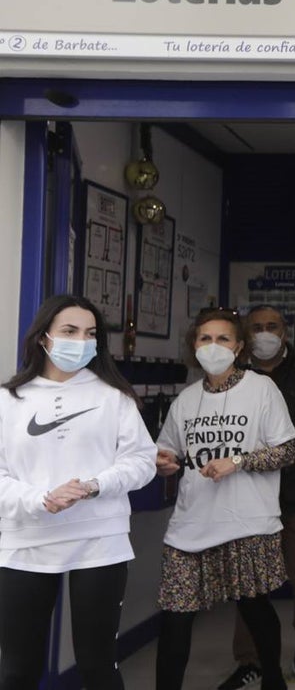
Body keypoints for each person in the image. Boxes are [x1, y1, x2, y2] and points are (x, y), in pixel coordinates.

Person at [0, 294, 158, 690]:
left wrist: (95, 485)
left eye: (90, 333)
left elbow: (142, 461)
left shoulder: (113, 396)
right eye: (69, 331)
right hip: (26, 542)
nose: (80, 341)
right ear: (43, 338)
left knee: (98, 666)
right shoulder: (8, 400)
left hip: (99, 539)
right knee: (16, 669)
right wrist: (40, 498)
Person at [154, 308, 295, 690]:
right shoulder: (185, 401)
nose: (213, 346)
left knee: (253, 606)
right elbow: (166, 453)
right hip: (191, 523)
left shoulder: (261, 389)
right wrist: (163, 463)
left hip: (247, 520)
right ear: (194, 346)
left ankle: (273, 678)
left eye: (222, 339)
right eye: (205, 339)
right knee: (175, 615)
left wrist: (237, 462)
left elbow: (287, 451)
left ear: (238, 346)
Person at [218, 305, 295, 690]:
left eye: (271, 326)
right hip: (248, 495)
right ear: (246, 336)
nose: (264, 333)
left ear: (285, 333)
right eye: (256, 328)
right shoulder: (232, 377)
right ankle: (249, 659)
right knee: (248, 582)